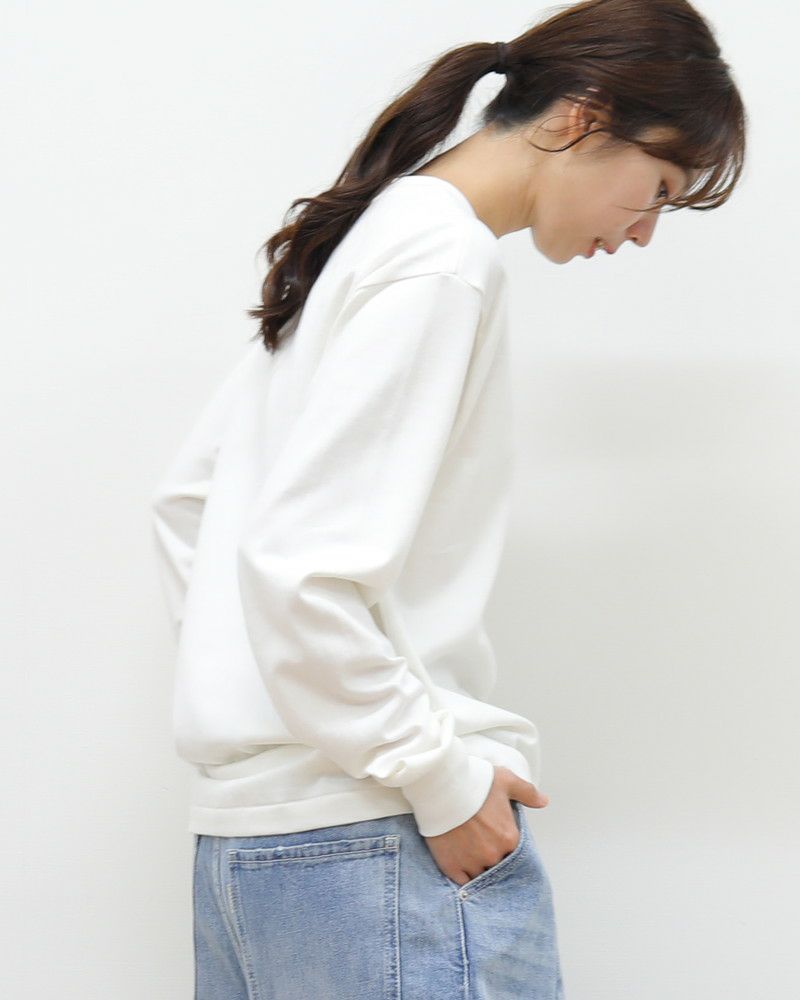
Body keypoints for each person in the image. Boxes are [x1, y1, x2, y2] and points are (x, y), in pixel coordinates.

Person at [150, 1, 746, 996]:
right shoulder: (442, 261)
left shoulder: (366, 239)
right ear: (582, 117)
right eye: (657, 189)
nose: (644, 231)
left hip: (253, 846)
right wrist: (436, 775)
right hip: (376, 841)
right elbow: (296, 567)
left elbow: (189, 501)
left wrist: (265, 702)